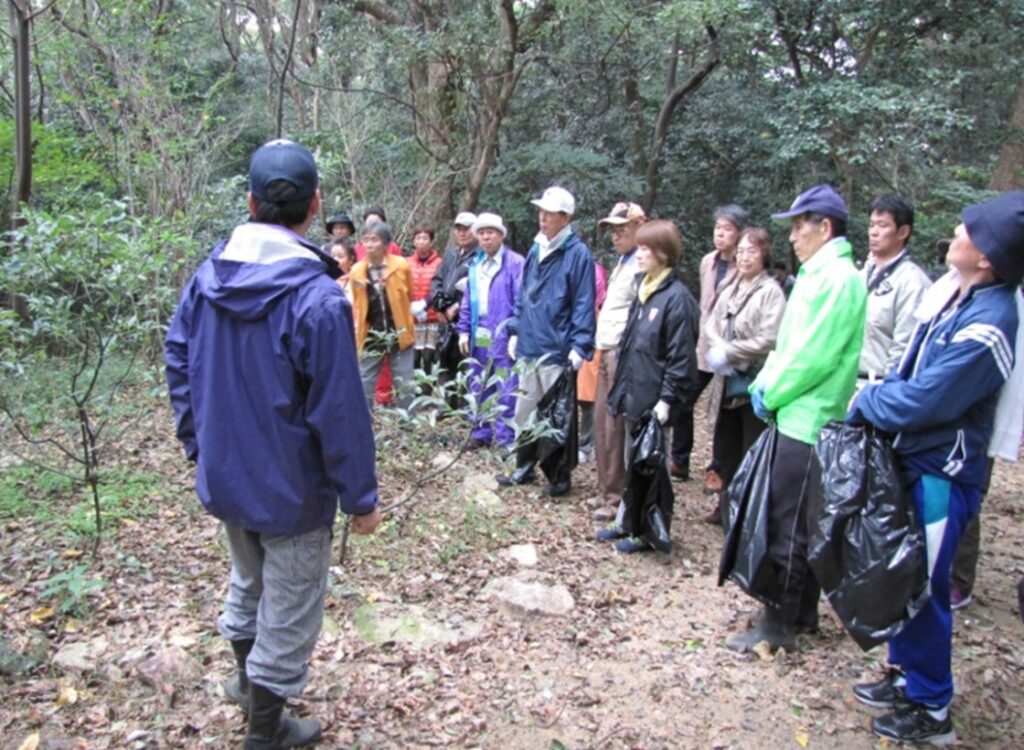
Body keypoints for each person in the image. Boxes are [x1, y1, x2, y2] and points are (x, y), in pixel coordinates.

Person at [164, 139, 382, 749]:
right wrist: (360, 499)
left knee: (249, 583)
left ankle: (245, 685)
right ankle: (265, 732)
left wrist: (200, 445)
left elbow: (178, 360)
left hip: (227, 476)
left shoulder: (208, 278)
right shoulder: (318, 298)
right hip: (293, 489)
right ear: (315, 205)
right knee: (287, 607)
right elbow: (340, 410)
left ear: (250, 202)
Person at [846, 191, 1023, 745]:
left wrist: (867, 401)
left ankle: (931, 705)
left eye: (969, 230)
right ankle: (906, 675)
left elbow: (928, 400)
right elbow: (910, 369)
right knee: (904, 575)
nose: (957, 232)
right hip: (914, 462)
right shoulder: (956, 296)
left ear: (987, 257)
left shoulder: (991, 322)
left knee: (925, 586)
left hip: (942, 474)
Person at [725, 184, 866, 653]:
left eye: (799, 227)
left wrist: (774, 392)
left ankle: (778, 624)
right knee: (793, 516)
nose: (792, 237)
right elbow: (790, 346)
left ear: (825, 227)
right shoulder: (818, 274)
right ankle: (801, 611)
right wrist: (765, 385)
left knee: (787, 523)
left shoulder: (838, 280)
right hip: (793, 414)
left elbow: (813, 357)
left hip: (809, 419)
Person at [599, 220, 699, 552]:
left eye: (646, 249)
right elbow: (631, 344)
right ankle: (627, 521)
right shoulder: (644, 289)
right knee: (633, 461)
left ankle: (650, 532)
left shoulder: (677, 299)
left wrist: (667, 399)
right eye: (639, 247)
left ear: (663, 253)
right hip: (634, 392)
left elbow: (681, 356)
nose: (639, 254)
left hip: (655, 399)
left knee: (654, 465)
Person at [498, 186, 596, 497]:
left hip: (557, 347)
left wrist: (580, 346)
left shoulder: (577, 255)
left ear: (565, 218)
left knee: (556, 416)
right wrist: (515, 330)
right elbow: (524, 294)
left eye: (550, 213)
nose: (542, 218)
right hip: (530, 344)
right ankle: (524, 466)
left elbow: (583, 302)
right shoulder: (536, 248)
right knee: (525, 410)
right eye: (541, 211)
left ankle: (559, 476)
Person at [702, 227, 786, 525]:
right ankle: (726, 505)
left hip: (754, 381)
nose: (745, 257)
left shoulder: (771, 292)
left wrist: (731, 351)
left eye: (752, 251)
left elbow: (769, 338)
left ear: (764, 254)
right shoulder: (730, 288)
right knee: (726, 447)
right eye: (741, 251)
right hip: (726, 381)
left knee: (752, 447)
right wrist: (718, 346)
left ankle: (748, 514)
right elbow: (711, 322)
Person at [672, 204, 748, 489]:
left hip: (730, 348)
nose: (720, 234)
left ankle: (717, 467)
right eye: (717, 228)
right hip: (703, 345)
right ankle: (679, 459)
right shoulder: (708, 262)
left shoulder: (745, 265)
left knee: (723, 411)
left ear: (739, 233)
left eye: (727, 229)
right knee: (684, 400)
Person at [588, 201, 646, 522]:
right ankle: (604, 489)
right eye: (613, 231)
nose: (616, 236)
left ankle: (615, 495)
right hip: (606, 347)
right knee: (601, 422)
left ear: (639, 227)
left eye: (622, 229)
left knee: (615, 427)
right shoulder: (624, 262)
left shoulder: (642, 263)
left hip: (622, 352)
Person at [456, 212, 524, 448]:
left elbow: (522, 300)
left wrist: (515, 332)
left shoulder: (515, 263)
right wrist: (464, 330)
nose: (486, 237)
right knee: (479, 380)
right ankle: (479, 432)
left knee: (506, 384)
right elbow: (468, 300)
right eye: (482, 233)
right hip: (481, 330)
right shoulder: (476, 265)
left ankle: (506, 438)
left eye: (491, 232)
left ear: (501, 235)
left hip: (504, 331)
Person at [859, 194, 932, 385]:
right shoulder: (862, 274)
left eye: (882, 225)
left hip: (877, 385)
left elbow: (905, 348)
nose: (874, 232)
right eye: (871, 225)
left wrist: (886, 391)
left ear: (903, 232)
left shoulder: (912, 282)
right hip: (846, 382)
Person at [349, 222, 416, 410]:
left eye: (374, 240)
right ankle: (363, 419)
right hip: (371, 332)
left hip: (399, 330)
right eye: (366, 240)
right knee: (365, 378)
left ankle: (408, 421)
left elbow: (409, 293)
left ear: (386, 243)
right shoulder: (357, 271)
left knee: (404, 381)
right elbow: (358, 303)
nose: (369, 244)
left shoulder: (401, 265)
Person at [430, 211, 480, 393]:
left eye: (466, 229)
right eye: (459, 229)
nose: (462, 233)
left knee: (464, 368)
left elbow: (477, 287)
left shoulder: (480, 255)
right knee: (444, 366)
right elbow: (437, 279)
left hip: (465, 323)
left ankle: (463, 405)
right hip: (445, 323)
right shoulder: (451, 253)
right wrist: (439, 306)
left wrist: (457, 307)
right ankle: (445, 404)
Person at [576, 261, 608, 463]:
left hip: (593, 344)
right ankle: (583, 444)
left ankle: (588, 445)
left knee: (591, 400)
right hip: (576, 340)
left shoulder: (593, 270)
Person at [409, 223, 443, 375]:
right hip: (413, 317)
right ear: (414, 241)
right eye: (418, 238)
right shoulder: (407, 263)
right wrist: (412, 306)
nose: (421, 242)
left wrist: (426, 304)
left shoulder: (440, 263)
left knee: (429, 357)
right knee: (414, 356)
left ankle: (429, 387)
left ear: (431, 241)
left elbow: (440, 288)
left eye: (425, 238)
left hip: (433, 317)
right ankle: (415, 386)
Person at [329, 237, 356, 305]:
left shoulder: (358, 281)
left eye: (340, 256)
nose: (335, 260)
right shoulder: (325, 280)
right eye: (332, 256)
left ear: (351, 259)